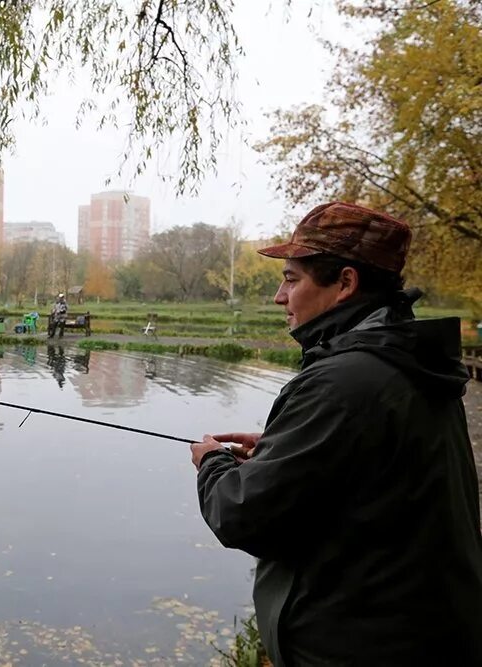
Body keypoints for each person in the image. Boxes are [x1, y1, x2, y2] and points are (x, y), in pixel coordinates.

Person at [190, 202, 482, 666]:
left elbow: (242, 513)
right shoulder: (409, 362)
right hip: (419, 633)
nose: (279, 297)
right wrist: (282, 450)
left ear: (345, 283)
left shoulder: (343, 380)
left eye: (291, 279)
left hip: (358, 647)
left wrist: (213, 463)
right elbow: (374, 475)